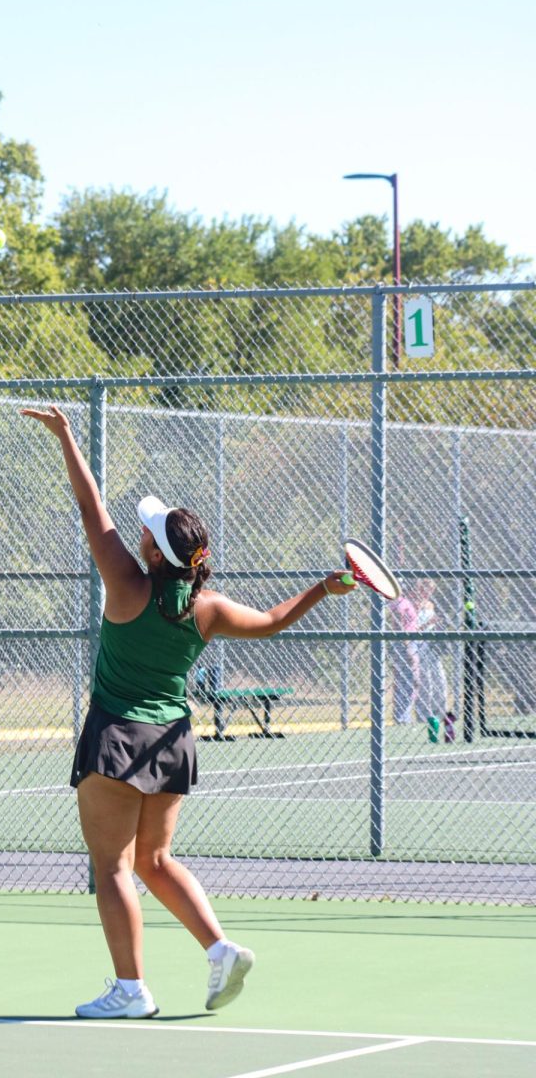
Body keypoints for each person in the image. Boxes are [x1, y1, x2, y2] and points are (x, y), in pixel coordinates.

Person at [22, 404, 355, 1020]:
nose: (139, 531)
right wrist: (324, 588)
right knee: (154, 859)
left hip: (117, 738)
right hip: (172, 741)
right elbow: (277, 622)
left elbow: (89, 505)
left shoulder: (125, 583)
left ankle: (130, 990)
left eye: (146, 530)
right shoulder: (209, 608)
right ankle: (220, 947)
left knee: (114, 866)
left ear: (152, 553)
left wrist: (66, 435)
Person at [411, 578, 449, 742]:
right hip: (418, 649)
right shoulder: (412, 604)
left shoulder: (430, 605)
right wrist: (428, 624)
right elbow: (411, 630)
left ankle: (441, 715)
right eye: (425, 588)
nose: (428, 592)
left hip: (432, 648)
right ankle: (424, 718)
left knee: (440, 681)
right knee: (426, 686)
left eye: (431, 589)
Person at [387, 590, 420, 725]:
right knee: (410, 680)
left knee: (409, 680)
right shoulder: (399, 602)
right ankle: (402, 717)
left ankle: (403, 716)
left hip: (410, 641)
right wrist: (406, 644)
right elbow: (398, 624)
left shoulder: (403, 601)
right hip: (405, 642)